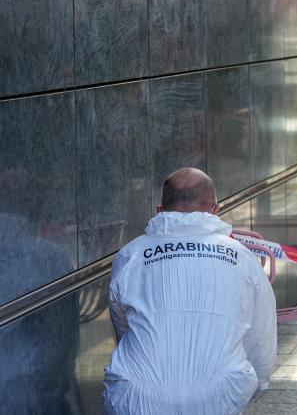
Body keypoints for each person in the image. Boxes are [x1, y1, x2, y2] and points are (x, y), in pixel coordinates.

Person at [103, 168, 277, 415]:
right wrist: (256, 383)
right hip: (220, 395)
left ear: (160, 211)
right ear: (215, 210)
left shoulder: (131, 255)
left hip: (137, 398)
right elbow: (261, 336)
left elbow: (122, 328)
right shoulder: (242, 257)